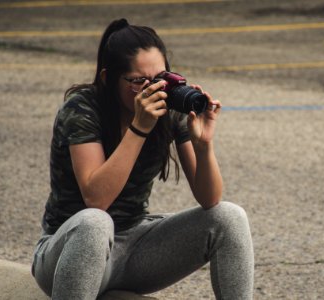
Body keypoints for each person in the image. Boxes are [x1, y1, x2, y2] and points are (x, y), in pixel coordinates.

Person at [31, 18, 254, 300]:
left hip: (133, 252)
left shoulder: (169, 109)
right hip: (68, 254)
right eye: (139, 81)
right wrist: (139, 128)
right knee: (95, 223)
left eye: (160, 78)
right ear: (107, 79)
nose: (152, 90)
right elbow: (96, 199)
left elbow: (209, 199)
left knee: (229, 217)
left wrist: (203, 145)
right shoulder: (82, 109)